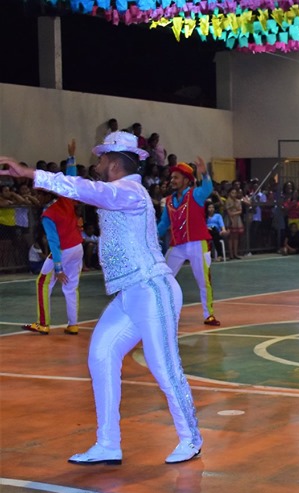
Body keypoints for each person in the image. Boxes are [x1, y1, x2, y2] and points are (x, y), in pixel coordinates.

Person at [0, 132, 203, 465]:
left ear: (113, 162)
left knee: (164, 366)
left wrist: (31, 174)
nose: (96, 164)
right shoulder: (118, 192)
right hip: (130, 294)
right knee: (101, 355)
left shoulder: (130, 192)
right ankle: (108, 443)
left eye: (100, 159)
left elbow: (87, 190)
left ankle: (191, 438)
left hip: (152, 290)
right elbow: (86, 190)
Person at [22, 141, 84, 335]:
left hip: (64, 250)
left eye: (38, 194)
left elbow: (54, 243)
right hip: (78, 248)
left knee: (43, 282)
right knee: (71, 287)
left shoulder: (48, 215)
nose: (36, 197)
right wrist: (71, 158)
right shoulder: (66, 198)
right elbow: (71, 179)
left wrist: (58, 267)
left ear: (45, 196)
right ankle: (73, 325)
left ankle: (43, 323)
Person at [157, 160, 220, 326]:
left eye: (176, 177)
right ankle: (164, 313)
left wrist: (204, 173)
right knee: (163, 278)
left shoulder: (196, 194)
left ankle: (209, 314)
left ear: (186, 180)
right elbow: (164, 223)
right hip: (177, 245)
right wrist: (151, 236)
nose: (172, 180)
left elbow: (208, 188)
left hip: (197, 243)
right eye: (172, 177)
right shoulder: (168, 201)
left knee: (203, 281)